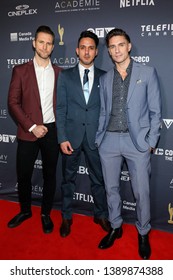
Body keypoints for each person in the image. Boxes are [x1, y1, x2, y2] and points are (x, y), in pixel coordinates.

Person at [95, 28, 162, 259]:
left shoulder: (148, 72)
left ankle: (143, 232)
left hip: (138, 143)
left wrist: (151, 142)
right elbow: (103, 112)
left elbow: (156, 111)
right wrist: (99, 139)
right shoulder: (104, 79)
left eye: (121, 45)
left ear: (129, 46)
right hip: (109, 141)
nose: (117, 50)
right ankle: (115, 226)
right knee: (111, 189)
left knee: (141, 192)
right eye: (112, 46)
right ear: (109, 51)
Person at [56, 30, 110, 237]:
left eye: (91, 48)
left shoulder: (106, 77)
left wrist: (103, 136)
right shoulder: (65, 76)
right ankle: (66, 216)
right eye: (83, 48)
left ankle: (101, 214)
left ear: (96, 52)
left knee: (99, 179)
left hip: (96, 139)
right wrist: (62, 137)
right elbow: (60, 109)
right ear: (77, 51)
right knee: (68, 179)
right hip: (71, 138)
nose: (87, 52)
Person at [7, 25, 61, 234]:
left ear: (53, 46)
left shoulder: (60, 73)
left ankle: (46, 213)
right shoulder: (20, 70)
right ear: (34, 43)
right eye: (41, 42)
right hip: (28, 131)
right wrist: (31, 126)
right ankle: (25, 210)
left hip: (52, 131)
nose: (45, 46)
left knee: (49, 175)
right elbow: (13, 103)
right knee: (24, 175)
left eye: (48, 43)